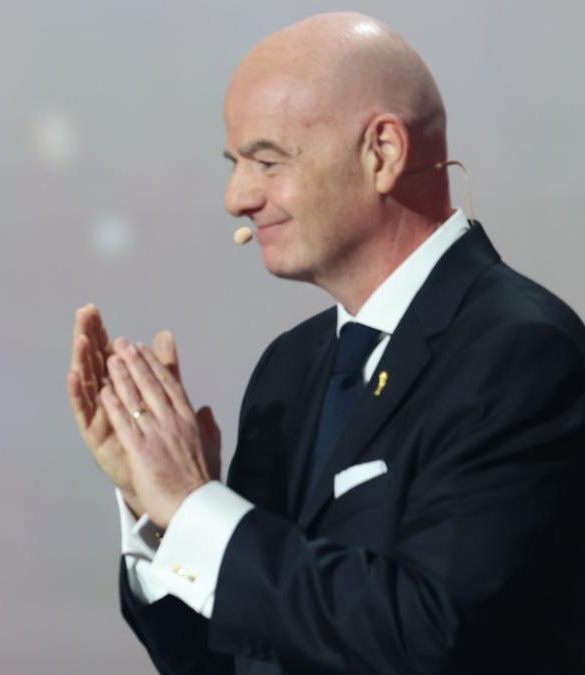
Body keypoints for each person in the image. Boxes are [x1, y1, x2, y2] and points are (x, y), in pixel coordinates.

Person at [68, 12, 585, 674]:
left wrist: (196, 506)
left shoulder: (520, 354)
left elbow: (432, 634)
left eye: (266, 160)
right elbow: (234, 657)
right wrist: (159, 509)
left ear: (382, 153)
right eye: (235, 164)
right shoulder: (289, 368)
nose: (236, 197)